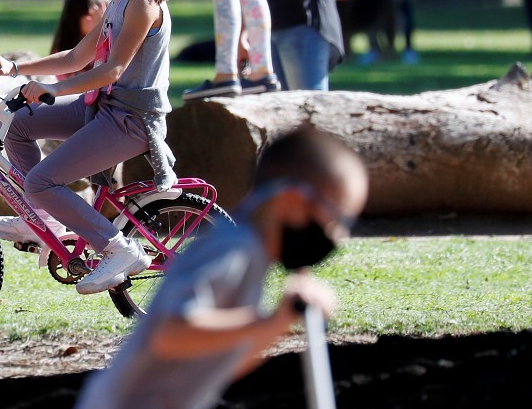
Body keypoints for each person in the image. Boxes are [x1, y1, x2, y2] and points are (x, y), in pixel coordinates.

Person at [74, 125, 368, 409]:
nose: (338, 237)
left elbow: (224, 361)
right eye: (336, 220)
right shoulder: (233, 247)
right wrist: (272, 319)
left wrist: (279, 324)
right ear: (291, 202)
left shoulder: (251, 255)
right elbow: (169, 334)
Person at [0, 0, 180, 295]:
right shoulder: (118, 2)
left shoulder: (143, 2)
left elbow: (113, 70)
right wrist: (15, 68)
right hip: (104, 109)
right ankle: (43, 220)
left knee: (40, 181)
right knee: (20, 126)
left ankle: (120, 249)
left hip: (130, 120)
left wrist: (53, 89)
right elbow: (77, 56)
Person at [50, 0, 111, 80]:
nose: (98, 18)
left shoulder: (112, 46)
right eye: (91, 14)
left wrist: (104, 27)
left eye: (106, 12)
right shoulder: (62, 54)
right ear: (74, 18)